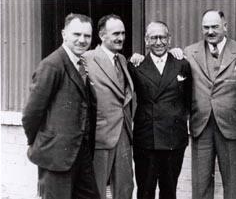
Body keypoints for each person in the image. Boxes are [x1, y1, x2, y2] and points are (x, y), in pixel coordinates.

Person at [22, 13, 100, 199]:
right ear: (64, 34)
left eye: (87, 36)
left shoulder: (80, 63)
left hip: (81, 155)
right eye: (77, 34)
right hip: (56, 157)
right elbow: (31, 114)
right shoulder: (52, 65)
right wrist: (45, 143)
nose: (82, 40)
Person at [184, 10, 236, 199]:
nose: (210, 31)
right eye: (206, 27)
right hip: (201, 126)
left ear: (225, 27)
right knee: (200, 185)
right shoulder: (189, 52)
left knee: (232, 183)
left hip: (231, 126)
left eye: (214, 27)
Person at [128, 21, 192, 199]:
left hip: (174, 139)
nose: (158, 42)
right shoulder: (136, 66)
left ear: (169, 39)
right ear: (146, 40)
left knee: (169, 190)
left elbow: (188, 99)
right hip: (146, 138)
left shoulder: (182, 64)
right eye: (153, 38)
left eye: (162, 37)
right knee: (145, 190)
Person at [83, 14, 134, 199]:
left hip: (124, 133)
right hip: (100, 135)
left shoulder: (122, 60)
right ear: (102, 36)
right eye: (115, 34)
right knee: (96, 190)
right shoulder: (87, 59)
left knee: (125, 187)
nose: (121, 38)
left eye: (123, 33)